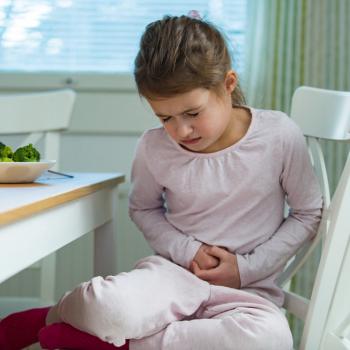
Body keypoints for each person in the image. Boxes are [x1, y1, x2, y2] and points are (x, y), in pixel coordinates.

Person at [0, 13, 322, 350]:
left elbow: (308, 212)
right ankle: (52, 316)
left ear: (228, 84)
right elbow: (143, 208)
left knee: (272, 339)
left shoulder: (279, 135)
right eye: (165, 117)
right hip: (172, 278)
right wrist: (188, 251)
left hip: (249, 292)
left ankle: (122, 345)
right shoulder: (154, 147)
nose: (181, 131)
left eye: (193, 113)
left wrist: (245, 268)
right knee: (106, 306)